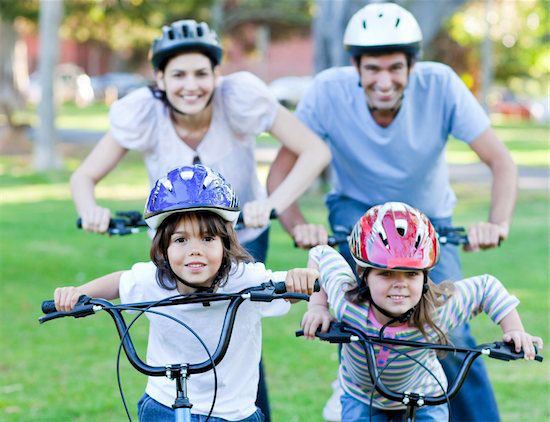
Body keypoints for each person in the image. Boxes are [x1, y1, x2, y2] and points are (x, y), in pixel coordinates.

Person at [266, 3, 517, 421]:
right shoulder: (328, 91)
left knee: (451, 333)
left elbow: (501, 162)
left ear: (412, 65)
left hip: (429, 221)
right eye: (373, 69)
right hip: (356, 220)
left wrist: (498, 223)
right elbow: (279, 175)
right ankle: (353, 400)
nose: (385, 81)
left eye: (396, 68)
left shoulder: (441, 85)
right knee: (354, 326)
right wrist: (298, 226)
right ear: (356, 67)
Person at [70, 20, 330, 420]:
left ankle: (241, 412)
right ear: (159, 78)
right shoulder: (144, 113)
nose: (190, 85)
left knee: (238, 340)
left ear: (217, 75)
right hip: (173, 241)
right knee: (176, 330)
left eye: (200, 73)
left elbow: (314, 150)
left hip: (239, 236)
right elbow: (84, 176)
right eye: (178, 75)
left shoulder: (240, 100)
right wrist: (90, 207)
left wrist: (272, 203)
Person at [55, 165, 320, 421]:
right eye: (181, 240)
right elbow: (119, 282)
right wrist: (79, 293)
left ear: (225, 243)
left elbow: (294, 282)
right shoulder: (156, 279)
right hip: (163, 405)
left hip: (232, 413)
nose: (195, 250)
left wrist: (301, 281)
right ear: (163, 249)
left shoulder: (244, 279)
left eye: (207, 239)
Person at [301, 202, 542, 422]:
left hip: (424, 395)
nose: (400, 284)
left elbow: (487, 287)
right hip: (361, 395)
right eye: (385, 274)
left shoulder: (438, 312)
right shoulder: (348, 305)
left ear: (425, 277)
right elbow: (321, 254)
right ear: (364, 274)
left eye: (412, 274)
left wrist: (514, 330)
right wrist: (318, 307)